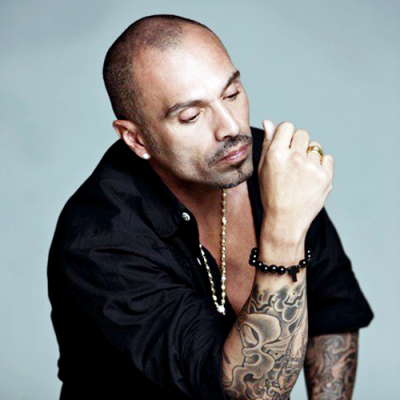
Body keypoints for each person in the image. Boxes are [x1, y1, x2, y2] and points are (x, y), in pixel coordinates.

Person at [47, 14, 373, 400]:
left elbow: (332, 309)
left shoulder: (268, 166)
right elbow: (253, 393)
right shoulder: (102, 238)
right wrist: (284, 230)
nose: (230, 128)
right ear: (136, 139)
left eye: (231, 94)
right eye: (191, 115)